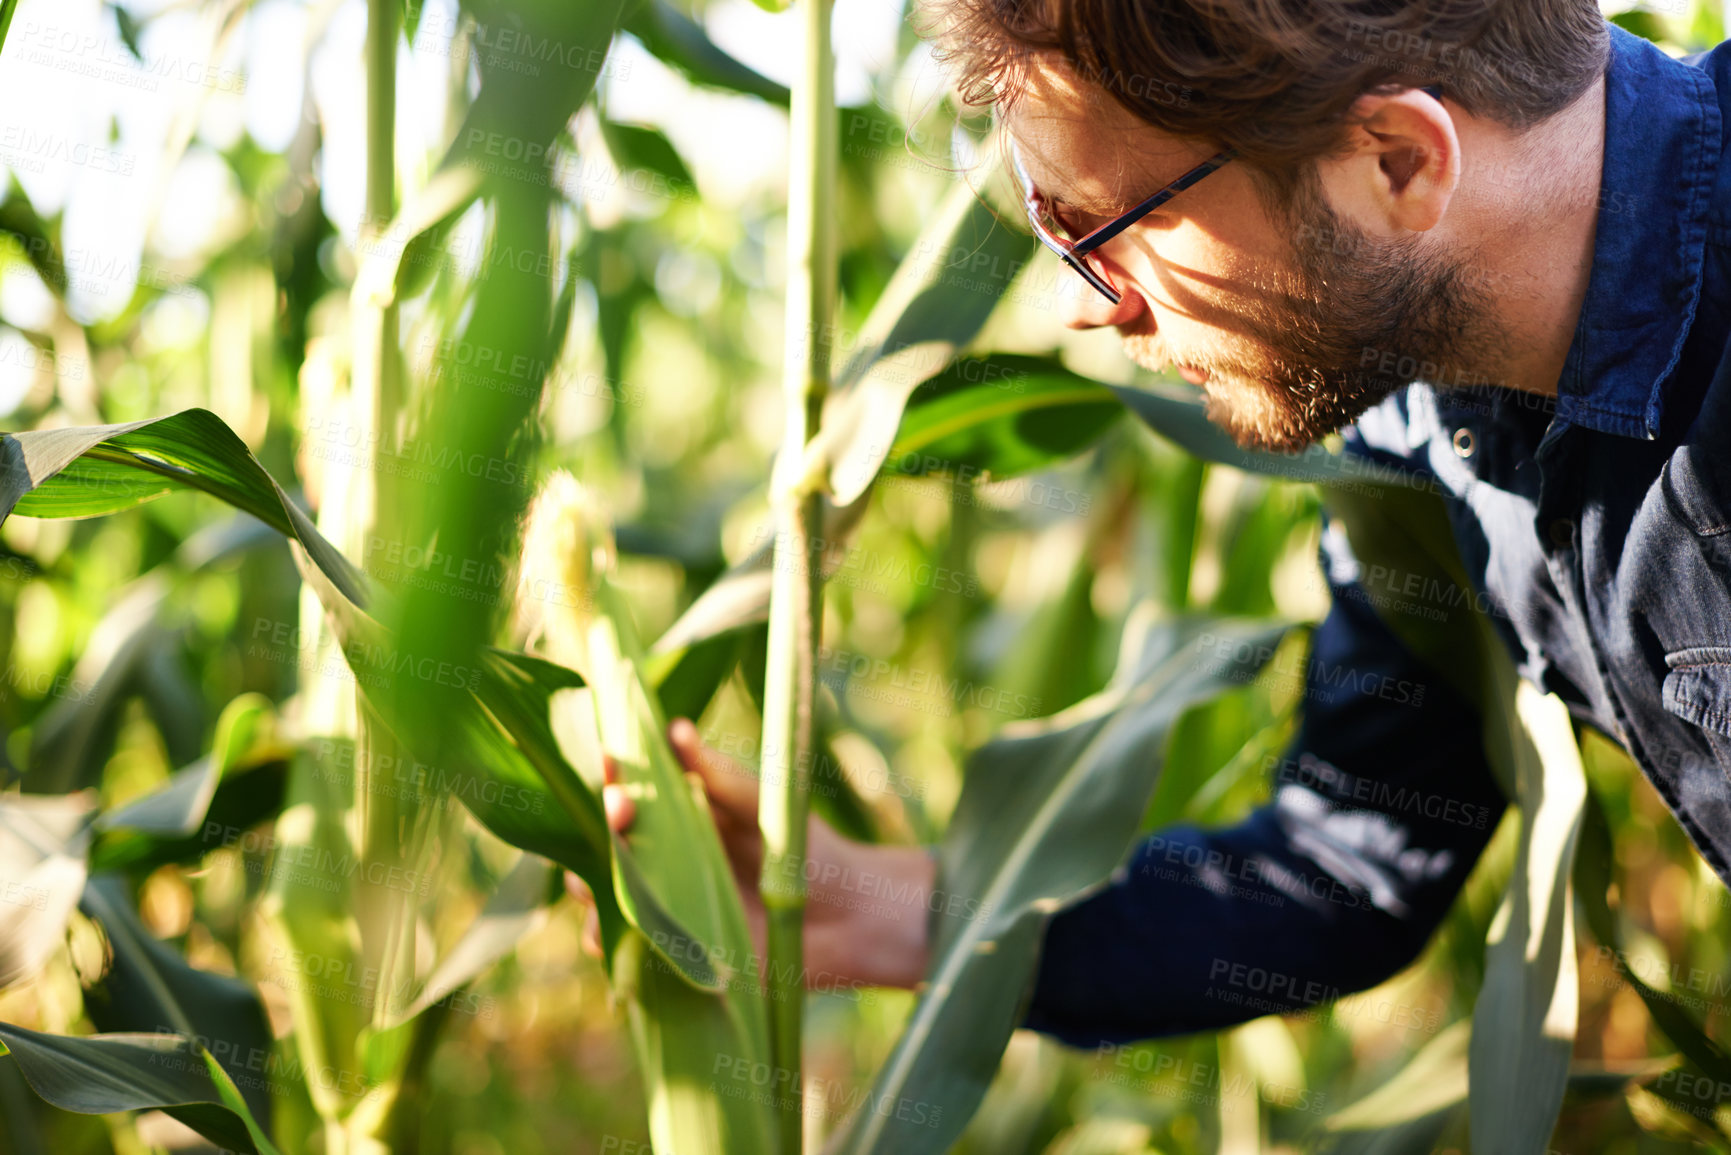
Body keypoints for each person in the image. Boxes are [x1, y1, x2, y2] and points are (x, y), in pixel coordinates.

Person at [578, 0, 1731, 1045]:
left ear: (1396, 161)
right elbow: (1347, 861)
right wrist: (878, 916)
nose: (1090, 311)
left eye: (1101, 229)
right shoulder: (1419, 433)